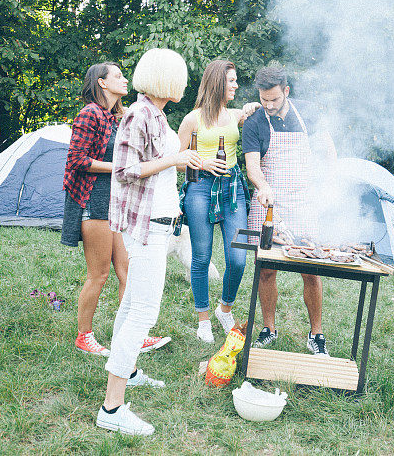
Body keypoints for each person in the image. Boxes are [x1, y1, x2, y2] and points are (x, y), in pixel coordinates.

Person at [96, 48, 203, 436]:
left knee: (131, 303)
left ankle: (131, 372)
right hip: (146, 227)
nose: (185, 83)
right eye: (180, 76)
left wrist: (190, 159)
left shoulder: (156, 116)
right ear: (165, 80)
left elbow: (162, 166)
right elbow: (125, 171)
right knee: (143, 312)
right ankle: (111, 408)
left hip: (159, 223)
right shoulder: (138, 116)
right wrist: (175, 160)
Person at [62, 62, 170, 357]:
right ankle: (84, 336)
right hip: (93, 203)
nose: (125, 80)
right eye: (118, 76)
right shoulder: (90, 113)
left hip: (116, 204)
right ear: (102, 83)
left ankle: (131, 334)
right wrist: (121, 168)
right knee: (98, 275)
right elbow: (77, 160)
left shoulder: (118, 116)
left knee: (127, 272)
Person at [242, 66, 336, 356]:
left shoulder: (308, 113)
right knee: (266, 270)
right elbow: (253, 166)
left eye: (274, 99)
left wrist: (328, 183)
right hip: (268, 203)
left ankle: (316, 334)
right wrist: (262, 185)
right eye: (263, 99)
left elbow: (328, 152)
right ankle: (269, 328)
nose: (268, 105)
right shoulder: (254, 122)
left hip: (304, 202)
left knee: (311, 271)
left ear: (286, 91)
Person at [177, 60, 259, 343]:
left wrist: (252, 108)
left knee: (238, 258)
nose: (236, 85)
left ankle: (225, 309)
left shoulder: (238, 115)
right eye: (231, 81)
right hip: (199, 188)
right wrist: (203, 162)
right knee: (201, 256)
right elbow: (177, 160)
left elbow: (254, 118)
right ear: (217, 83)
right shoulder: (192, 119)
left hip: (234, 190)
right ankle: (203, 319)